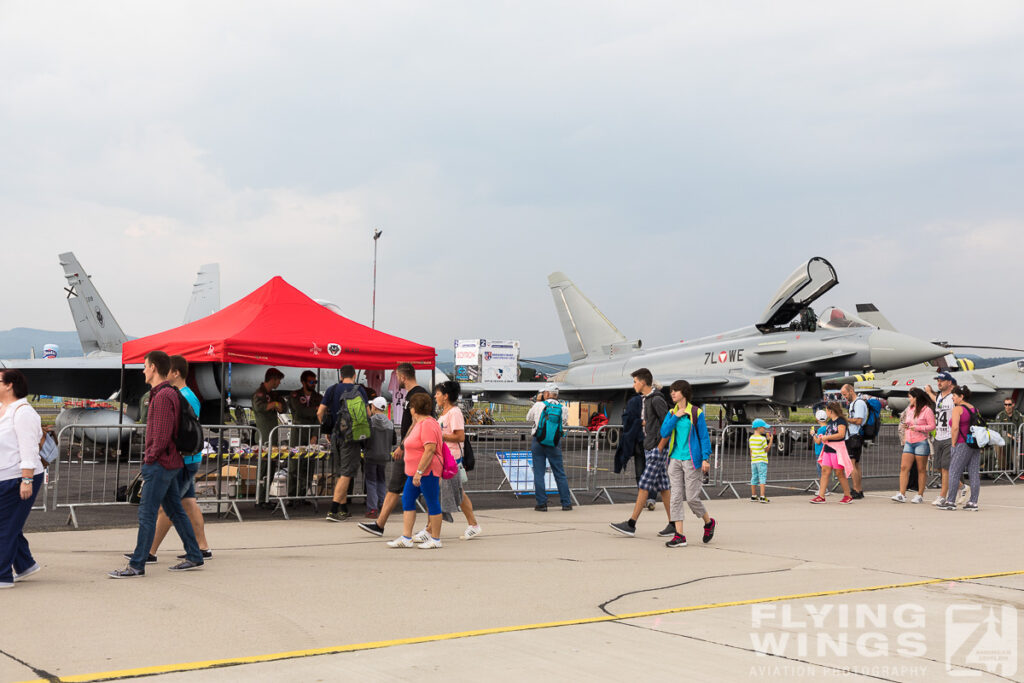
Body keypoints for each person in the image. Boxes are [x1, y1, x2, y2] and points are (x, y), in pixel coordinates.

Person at [110, 351, 204, 578]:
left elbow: (161, 437)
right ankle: (194, 554)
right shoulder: (171, 393)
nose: (143, 370)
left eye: (144, 366)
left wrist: (149, 460)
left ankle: (137, 564)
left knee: (147, 513)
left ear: (153, 367)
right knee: (175, 509)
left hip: (161, 463)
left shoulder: (161, 396)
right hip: (172, 462)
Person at [139, 356, 212, 562]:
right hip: (185, 459)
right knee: (187, 503)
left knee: (167, 508)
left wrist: (155, 456)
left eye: (168, 371)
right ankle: (202, 547)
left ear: (176, 373)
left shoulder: (183, 396)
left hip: (183, 460)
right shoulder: (182, 394)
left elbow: (181, 430)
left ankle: (149, 551)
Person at [358, 363, 428, 537]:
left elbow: (417, 422)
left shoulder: (417, 395)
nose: (396, 380)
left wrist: (403, 445)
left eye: (397, 377)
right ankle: (380, 524)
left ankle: (430, 527)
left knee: (412, 489)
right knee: (397, 488)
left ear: (403, 376)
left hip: (412, 450)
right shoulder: (413, 394)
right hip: (410, 448)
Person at [609, 369, 674, 537]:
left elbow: (668, 424)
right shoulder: (646, 400)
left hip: (656, 449)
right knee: (664, 487)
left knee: (644, 484)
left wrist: (659, 447)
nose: (633, 385)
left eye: (635, 381)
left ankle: (631, 524)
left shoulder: (656, 399)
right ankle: (673, 523)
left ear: (643, 382)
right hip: (650, 447)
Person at [0, 369, 44, 588]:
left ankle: (2, 575)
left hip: (19, 476)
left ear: (9, 385)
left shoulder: (23, 412)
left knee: (4, 526)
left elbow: (29, 448)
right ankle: (25, 564)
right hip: (5, 475)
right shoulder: (4, 409)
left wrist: (26, 480)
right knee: (10, 524)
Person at [658, 380, 715, 548]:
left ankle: (708, 522)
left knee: (691, 498)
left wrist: (705, 458)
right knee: (675, 497)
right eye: (671, 391)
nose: (672, 394)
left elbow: (704, 437)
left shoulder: (696, 413)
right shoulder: (671, 412)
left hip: (692, 460)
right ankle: (679, 535)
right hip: (674, 459)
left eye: (675, 391)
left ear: (684, 392)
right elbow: (664, 432)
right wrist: (675, 416)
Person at [386, 392, 444, 549]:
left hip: (426, 471)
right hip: (415, 472)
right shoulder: (420, 423)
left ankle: (436, 539)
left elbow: (430, 449)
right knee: (407, 500)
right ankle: (406, 537)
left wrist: (419, 472)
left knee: (432, 502)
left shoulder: (427, 424)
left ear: (414, 408)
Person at [428, 381, 481, 540]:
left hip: (452, 459)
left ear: (446, 396)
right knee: (456, 494)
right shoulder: (445, 412)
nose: (435, 396)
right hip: (443, 457)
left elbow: (460, 436)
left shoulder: (455, 412)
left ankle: (431, 529)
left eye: (438, 393)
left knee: (450, 493)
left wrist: (439, 435)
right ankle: (472, 524)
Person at [318, 365, 368, 521]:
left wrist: (327, 430)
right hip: (351, 437)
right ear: (354, 375)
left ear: (340, 376)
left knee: (340, 472)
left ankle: (343, 509)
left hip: (335, 436)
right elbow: (367, 413)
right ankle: (333, 510)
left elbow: (320, 412)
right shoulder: (359, 390)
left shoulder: (332, 389)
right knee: (347, 473)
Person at [525, 383, 572, 511]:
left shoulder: (539, 405)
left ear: (546, 394)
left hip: (538, 441)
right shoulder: (563, 408)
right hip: (554, 442)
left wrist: (538, 402)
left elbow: (528, 418)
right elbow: (563, 423)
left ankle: (541, 503)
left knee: (539, 473)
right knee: (559, 473)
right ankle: (566, 503)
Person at [941, 386, 982, 511]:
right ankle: (973, 502)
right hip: (974, 444)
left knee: (954, 471)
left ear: (961, 396)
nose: (952, 398)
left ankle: (950, 501)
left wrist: (953, 444)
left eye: (954, 395)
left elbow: (955, 428)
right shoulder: (975, 409)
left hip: (962, 443)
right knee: (974, 472)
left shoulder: (958, 409)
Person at [892, 388, 934, 503]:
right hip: (909, 441)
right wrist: (907, 426)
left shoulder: (927, 410)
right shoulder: (910, 409)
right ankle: (902, 493)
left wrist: (919, 428)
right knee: (904, 467)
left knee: (921, 469)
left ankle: (920, 494)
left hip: (921, 441)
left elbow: (932, 426)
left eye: (910, 397)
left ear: (916, 398)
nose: (909, 399)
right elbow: (909, 421)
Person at [287, 370, 322, 499]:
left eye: (315, 382)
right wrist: (315, 410)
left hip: (311, 433)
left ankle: (302, 495)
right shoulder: (295, 395)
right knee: (294, 465)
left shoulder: (318, 397)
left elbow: (319, 417)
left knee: (308, 466)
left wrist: (315, 435)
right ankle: (291, 496)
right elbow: (300, 411)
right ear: (303, 382)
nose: (313, 384)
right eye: (311, 382)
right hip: (298, 433)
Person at [810, 402, 854, 504]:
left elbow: (841, 434)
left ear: (831, 411)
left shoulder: (841, 421)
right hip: (828, 449)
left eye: (826, 410)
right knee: (825, 471)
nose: (826, 412)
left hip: (837, 450)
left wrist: (827, 437)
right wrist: (823, 437)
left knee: (839, 473)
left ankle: (847, 495)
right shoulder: (830, 422)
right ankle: (821, 496)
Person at [925, 372, 958, 506]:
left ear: (949, 382)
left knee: (946, 468)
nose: (939, 382)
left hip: (949, 436)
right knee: (938, 467)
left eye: (942, 380)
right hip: (938, 436)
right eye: (938, 380)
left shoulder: (953, 398)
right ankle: (961, 487)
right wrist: (928, 391)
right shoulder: (939, 397)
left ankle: (943, 496)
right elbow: (934, 398)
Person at [364, 397, 393, 518]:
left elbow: (366, 439)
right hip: (384, 455)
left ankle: (372, 508)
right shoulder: (390, 423)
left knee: (371, 481)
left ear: (374, 407)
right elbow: (394, 440)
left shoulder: (370, 421)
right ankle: (383, 504)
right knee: (381, 480)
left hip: (371, 454)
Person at [840, 384, 866, 499]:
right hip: (854, 436)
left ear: (851, 391)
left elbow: (859, 420)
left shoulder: (858, 403)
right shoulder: (854, 403)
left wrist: (845, 418)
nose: (844, 396)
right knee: (855, 464)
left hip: (854, 436)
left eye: (845, 394)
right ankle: (858, 489)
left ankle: (856, 489)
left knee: (852, 464)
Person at [252, 368, 286, 443]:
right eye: (279, 380)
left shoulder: (274, 395)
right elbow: (259, 407)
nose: (279, 383)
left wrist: (279, 406)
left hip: (273, 437)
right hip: (263, 438)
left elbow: (284, 408)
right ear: (273, 380)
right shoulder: (259, 394)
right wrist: (274, 404)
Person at [990, 399, 1022, 474]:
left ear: (1013, 405)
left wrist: (1018, 436)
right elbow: (1000, 430)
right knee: (1007, 442)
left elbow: (1021, 427)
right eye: (1005, 404)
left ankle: (1016, 467)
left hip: (1015, 436)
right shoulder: (1000, 415)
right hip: (1005, 435)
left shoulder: (1018, 414)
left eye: (1009, 404)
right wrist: (1011, 436)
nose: (1007, 406)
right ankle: (1007, 464)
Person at [749, 419, 772, 503]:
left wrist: (752, 458)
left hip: (754, 460)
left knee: (754, 477)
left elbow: (751, 450)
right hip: (761, 460)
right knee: (762, 477)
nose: (765, 429)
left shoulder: (751, 438)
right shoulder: (762, 439)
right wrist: (770, 441)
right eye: (763, 428)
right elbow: (766, 449)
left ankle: (753, 495)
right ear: (759, 428)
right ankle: (762, 496)